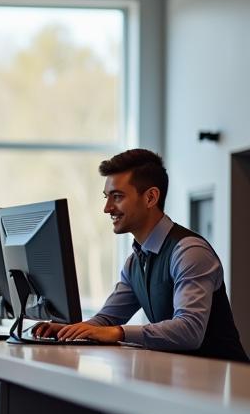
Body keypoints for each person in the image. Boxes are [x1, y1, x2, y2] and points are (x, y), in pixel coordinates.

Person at [33, 148, 248, 361]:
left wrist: (119, 332)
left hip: (226, 385)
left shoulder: (189, 252)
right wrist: (67, 330)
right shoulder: (135, 261)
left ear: (150, 197)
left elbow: (189, 331)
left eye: (117, 197)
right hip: (187, 379)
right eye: (107, 197)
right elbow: (107, 320)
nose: (107, 208)